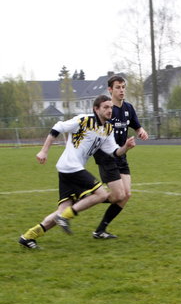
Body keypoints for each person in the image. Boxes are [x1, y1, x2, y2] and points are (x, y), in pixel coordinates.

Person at [18, 95, 136, 249]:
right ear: (96, 109)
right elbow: (58, 127)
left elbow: (114, 152)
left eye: (111, 107)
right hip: (70, 166)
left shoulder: (107, 128)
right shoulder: (84, 120)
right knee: (100, 194)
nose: (109, 110)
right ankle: (65, 217)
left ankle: (28, 236)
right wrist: (44, 151)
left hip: (69, 169)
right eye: (105, 107)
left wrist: (126, 147)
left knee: (62, 209)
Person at [92, 75, 148, 239]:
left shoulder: (128, 108)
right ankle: (85, 200)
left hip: (122, 156)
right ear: (110, 90)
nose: (121, 90)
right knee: (118, 195)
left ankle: (100, 230)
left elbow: (137, 126)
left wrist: (141, 131)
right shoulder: (105, 109)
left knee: (126, 195)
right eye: (118, 87)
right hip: (107, 157)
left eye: (123, 87)